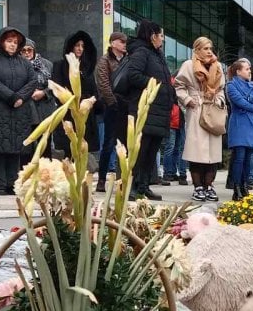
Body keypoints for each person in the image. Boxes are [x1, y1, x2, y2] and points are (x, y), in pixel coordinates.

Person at [0, 27, 36, 196]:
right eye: (9, 41)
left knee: (15, 149)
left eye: (15, 42)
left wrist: (20, 97)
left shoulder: (24, 62)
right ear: (2, 41)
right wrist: (12, 97)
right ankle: (0, 184)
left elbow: (32, 81)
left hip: (19, 112)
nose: (12, 45)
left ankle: (12, 183)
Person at [124, 19, 174, 201]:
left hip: (159, 110)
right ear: (153, 36)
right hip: (145, 109)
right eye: (161, 35)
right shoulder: (141, 52)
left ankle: (144, 186)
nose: (162, 39)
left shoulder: (157, 54)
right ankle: (131, 186)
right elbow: (134, 75)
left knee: (151, 151)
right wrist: (154, 85)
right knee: (140, 150)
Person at [175, 37, 226, 202]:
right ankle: (198, 186)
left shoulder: (217, 66)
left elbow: (221, 89)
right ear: (197, 50)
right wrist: (188, 100)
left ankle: (209, 185)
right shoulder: (188, 65)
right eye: (205, 48)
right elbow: (179, 85)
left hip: (213, 110)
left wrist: (219, 100)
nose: (209, 51)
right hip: (196, 110)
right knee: (196, 151)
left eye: (210, 48)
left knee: (213, 152)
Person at [51, 30, 99, 160]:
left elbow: (94, 90)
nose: (80, 49)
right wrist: (73, 100)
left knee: (83, 150)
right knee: (68, 151)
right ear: (70, 46)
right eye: (77, 45)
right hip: (68, 113)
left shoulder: (87, 67)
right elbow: (57, 89)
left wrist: (91, 100)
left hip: (85, 115)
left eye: (82, 46)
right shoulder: (59, 65)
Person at [226, 58, 253, 201]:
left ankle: (244, 185)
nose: (249, 71)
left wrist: (248, 97)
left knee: (248, 158)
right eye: (247, 69)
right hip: (239, 123)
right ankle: (236, 188)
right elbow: (239, 102)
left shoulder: (251, 85)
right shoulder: (231, 85)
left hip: (251, 124)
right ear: (238, 71)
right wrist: (252, 105)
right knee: (239, 157)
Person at [94, 31, 128, 192]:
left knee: (125, 145)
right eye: (121, 42)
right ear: (113, 43)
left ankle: (123, 179)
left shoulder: (128, 60)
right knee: (108, 144)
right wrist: (113, 102)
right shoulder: (104, 61)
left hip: (126, 107)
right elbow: (103, 84)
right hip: (112, 108)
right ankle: (102, 179)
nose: (124, 44)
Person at [20, 39, 54, 166]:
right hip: (25, 110)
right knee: (26, 146)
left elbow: (54, 85)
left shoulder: (47, 65)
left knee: (44, 144)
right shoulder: (17, 65)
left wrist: (43, 93)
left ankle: (45, 175)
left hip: (44, 109)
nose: (27, 53)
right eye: (23, 50)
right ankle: (25, 176)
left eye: (29, 50)